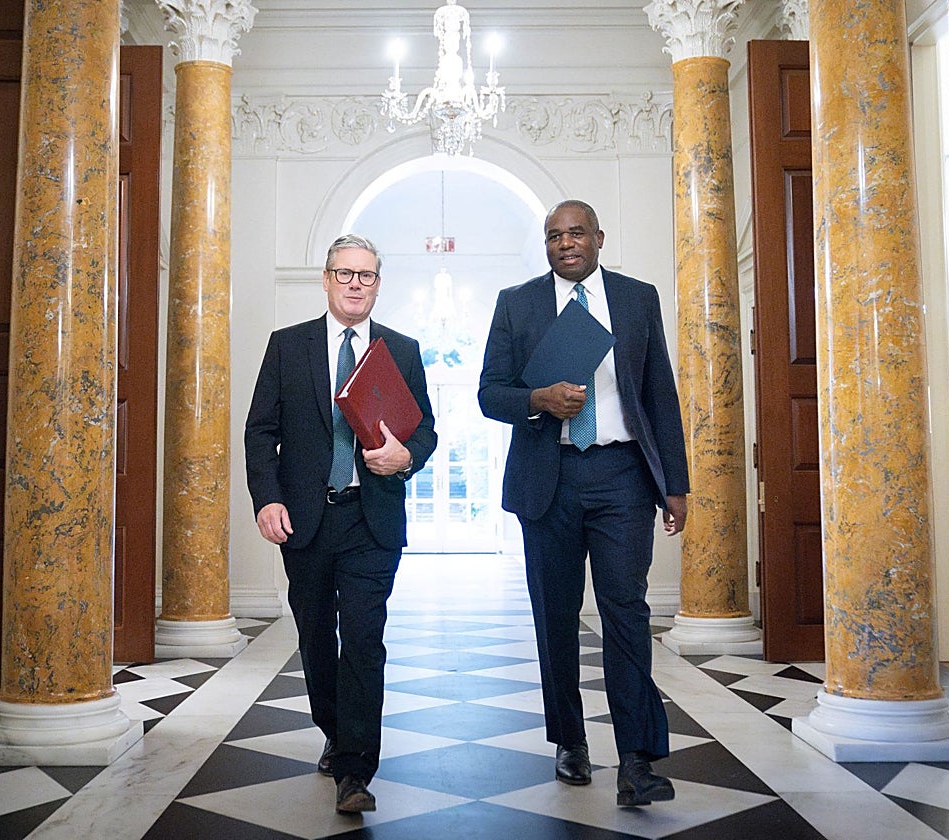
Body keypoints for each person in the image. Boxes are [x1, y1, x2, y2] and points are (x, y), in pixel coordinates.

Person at [478, 200, 689, 808]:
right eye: (554, 236)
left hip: (622, 474)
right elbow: (491, 393)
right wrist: (538, 398)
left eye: (576, 233)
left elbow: (659, 394)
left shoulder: (635, 297)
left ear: (599, 237)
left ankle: (637, 759)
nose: (566, 243)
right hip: (550, 478)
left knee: (626, 610)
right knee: (556, 616)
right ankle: (570, 739)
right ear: (545, 245)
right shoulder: (516, 303)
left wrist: (674, 482)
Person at [244, 234, 437, 815]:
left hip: (370, 518)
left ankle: (355, 769)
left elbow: (424, 431)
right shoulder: (287, 346)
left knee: (363, 640)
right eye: (346, 274)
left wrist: (406, 456)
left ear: (379, 283)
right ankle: (333, 727)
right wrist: (267, 499)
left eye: (367, 276)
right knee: (316, 640)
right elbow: (260, 432)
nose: (356, 284)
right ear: (326, 279)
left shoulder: (400, 350)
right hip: (306, 520)